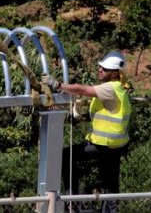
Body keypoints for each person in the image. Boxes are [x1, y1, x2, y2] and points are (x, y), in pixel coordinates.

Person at [42, 51, 132, 213]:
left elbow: (80, 89)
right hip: (116, 145)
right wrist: (81, 117)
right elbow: (106, 114)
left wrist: (57, 85)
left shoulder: (109, 88)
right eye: (100, 67)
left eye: (104, 69)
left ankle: (73, 201)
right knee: (110, 182)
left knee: (67, 156)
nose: (100, 70)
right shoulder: (118, 88)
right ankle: (109, 210)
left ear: (114, 73)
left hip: (104, 144)